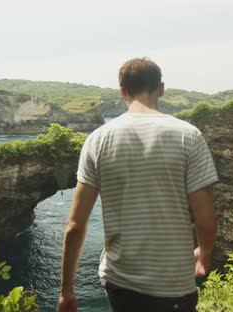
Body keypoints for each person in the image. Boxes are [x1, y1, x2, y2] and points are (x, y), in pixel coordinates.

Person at [57, 58, 218, 312]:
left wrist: (66, 291)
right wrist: (204, 252)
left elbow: (75, 227)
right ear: (161, 88)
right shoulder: (189, 135)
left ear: (122, 91)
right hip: (175, 285)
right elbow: (206, 220)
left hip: (121, 281)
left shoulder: (97, 140)